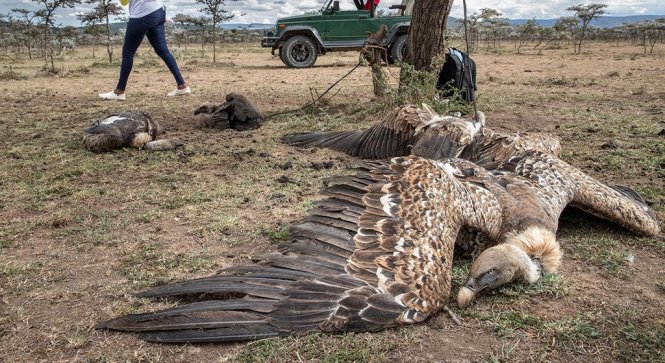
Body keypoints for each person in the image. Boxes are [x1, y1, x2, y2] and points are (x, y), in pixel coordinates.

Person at [99, 0, 190, 100]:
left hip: (142, 14)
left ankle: (119, 92)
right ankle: (182, 85)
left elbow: (124, 2)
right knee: (162, 50)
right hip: (158, 11)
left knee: (128, 53)